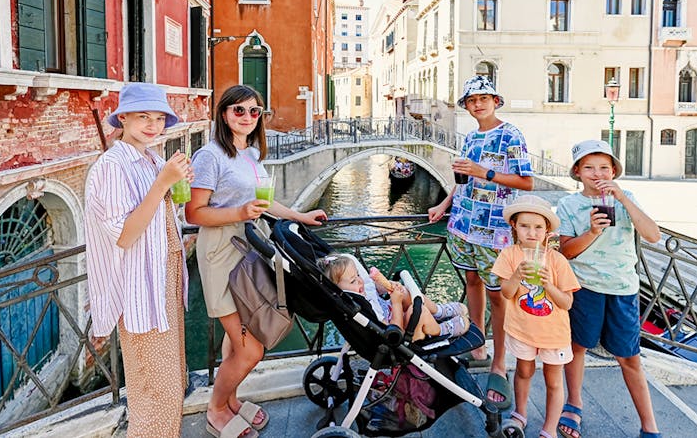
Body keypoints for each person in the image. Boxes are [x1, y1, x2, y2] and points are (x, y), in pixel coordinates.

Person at [185, 85, 328, 438]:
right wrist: (239, 211)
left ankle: (231, 399)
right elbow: (193, 211)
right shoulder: (210, 155)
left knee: (238, 342)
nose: (247, 117)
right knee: (251, 348)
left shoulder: (250, 153)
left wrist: (301, 216)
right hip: (220, 251)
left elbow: (264, 203)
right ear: (223, 114)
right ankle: (216, 409)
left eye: (254, 111)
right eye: (239, 110)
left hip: (246, 246)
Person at [84, 83, 192, 437]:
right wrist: (163, 184)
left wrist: (172, 189)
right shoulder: (113, 166)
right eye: (143, 116)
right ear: (123, 117)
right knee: (155, 393)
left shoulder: (151, 159)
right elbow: (125, 235)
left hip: (164, 282)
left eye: (159, 118)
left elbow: (156, 218)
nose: (152, 124)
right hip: (141, 291)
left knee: (173, 384)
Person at [427, 75, 534, 410]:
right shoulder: (471, 137)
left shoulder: (511, 134)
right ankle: (477, 344)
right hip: (462, 224)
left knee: (498, 296)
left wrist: (483, 172)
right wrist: (443, 205)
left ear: (495, 101)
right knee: (472, 281)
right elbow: (461, 179)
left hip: (495, 230)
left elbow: (526, 182)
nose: (478, 105)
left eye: (483, 99)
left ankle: (499, 360)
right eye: (472, 101)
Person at [555, 140, 663, 438]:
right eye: (588, 167)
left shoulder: (626, 197)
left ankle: (649, 425)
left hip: (622, 289)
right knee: (577, 348)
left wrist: (623, 199)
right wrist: (592, 231)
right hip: (584, 288)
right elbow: (566, 251)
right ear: (577, 172)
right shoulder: (569, 205)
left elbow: (653, 235)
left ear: (614, 171)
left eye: (604, 167)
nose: (596, 173)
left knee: (629, 357)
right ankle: (573, 404)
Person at [491, 195, 580, 438]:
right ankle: (520, 413)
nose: (532, 232)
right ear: (514, 227)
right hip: (522, 329)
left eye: (538, 227)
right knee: (524, 371)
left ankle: (549, 427)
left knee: (553, 380)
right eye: (525, 226)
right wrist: (517, 276)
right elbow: (506, 294)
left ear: (547, 230)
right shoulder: (509, 256)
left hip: (554, 333)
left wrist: (549, 286)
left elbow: (567, 302)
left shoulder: (557, 260)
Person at [318, 253, 469, 341]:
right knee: (417, 312)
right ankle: (441, 330)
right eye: (352, 280)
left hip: (394, 317)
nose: (359, 280)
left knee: (405, 293)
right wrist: (396, 303)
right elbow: (393, 331)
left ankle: (438, 311)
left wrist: (386, 286)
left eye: (357, 275)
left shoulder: (360, 293)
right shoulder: (359, 308)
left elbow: (374, 293)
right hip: (397, 336)